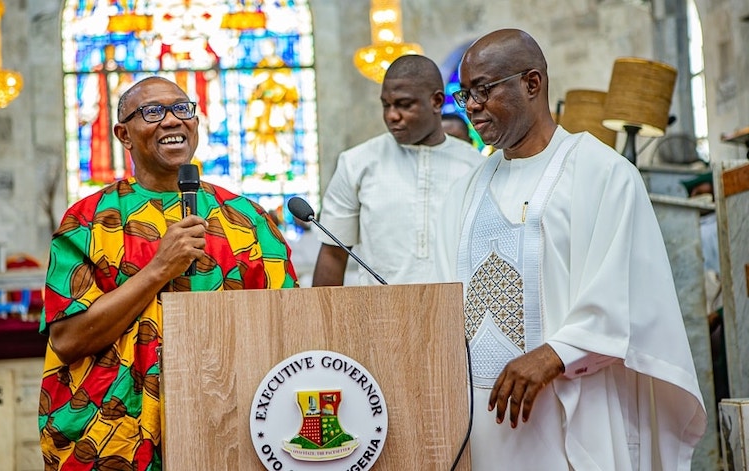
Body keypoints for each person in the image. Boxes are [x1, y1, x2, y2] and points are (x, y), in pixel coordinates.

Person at [437, 29, 706, 469]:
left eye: (483, 91)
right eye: (463, 94)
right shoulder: (465, 192)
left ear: (532, 83)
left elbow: (629, 294)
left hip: (572, 412)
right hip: (480, 426)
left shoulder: (602, 174)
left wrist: (554, 353)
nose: (470, 107)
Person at [37, 76, 298, 470]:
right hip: (112, 434)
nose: (173, 120)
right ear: (123, 134)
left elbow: (288, 328)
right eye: (153, 112)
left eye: (182, 109)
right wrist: (159, 269)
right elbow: (68, 340)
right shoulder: (88, 222)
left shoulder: (248, 221)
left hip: (229, 425)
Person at [312, 54, 481, 286]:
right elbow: (333, 253)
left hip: (457, 314)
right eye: (386, 105)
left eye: (404, 104)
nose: (392, 115)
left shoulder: (475, 167)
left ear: (437, 101)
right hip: (379, 314)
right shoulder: (357, 163)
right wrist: (323, 321)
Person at [681, 171, 729, 404]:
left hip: (722, 308)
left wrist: (716, 314)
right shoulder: (687, 230)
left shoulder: (722, 222)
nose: (696, 195)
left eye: (701, 190)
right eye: (694, 192)